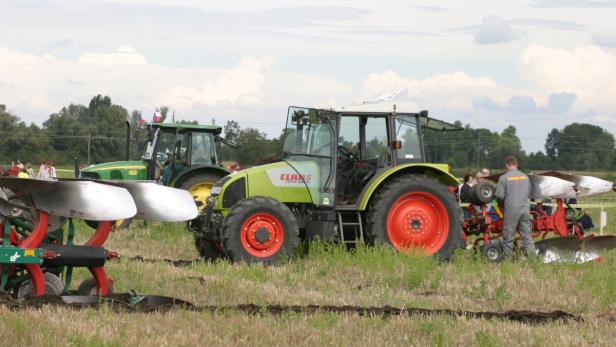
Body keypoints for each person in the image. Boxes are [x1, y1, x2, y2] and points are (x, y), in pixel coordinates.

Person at [495, 155, 535, 259]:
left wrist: (503, 204)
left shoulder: (503, 178)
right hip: (525, 209)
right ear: (516, 164)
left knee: (509, 235)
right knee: (526, 236)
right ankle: (532, 260)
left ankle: (507, 260)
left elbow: (499, 195)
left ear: (507, 165)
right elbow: (529, 194)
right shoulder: (526, 177)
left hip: (511, 210)